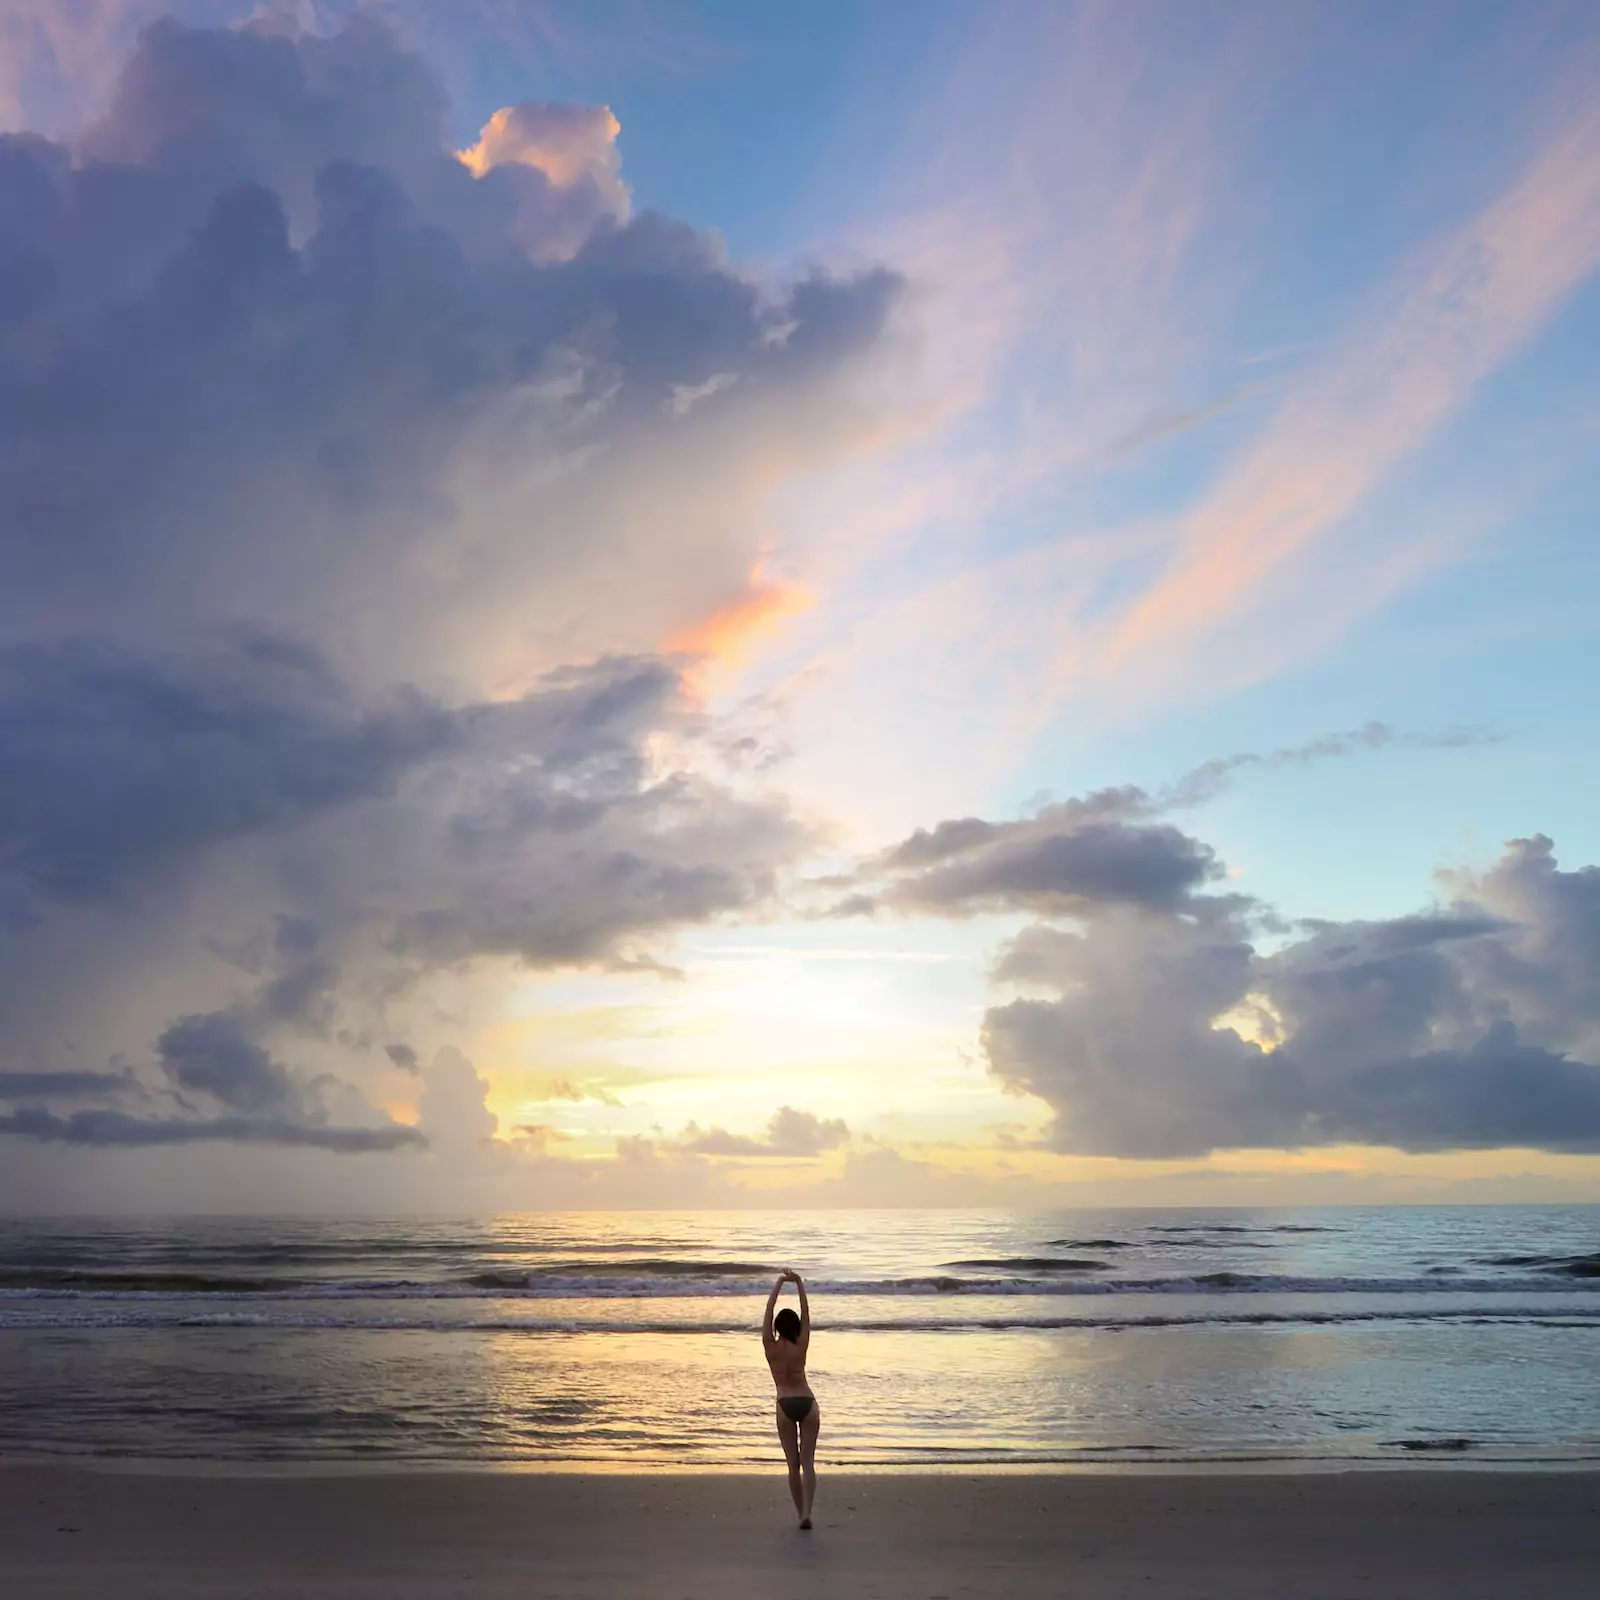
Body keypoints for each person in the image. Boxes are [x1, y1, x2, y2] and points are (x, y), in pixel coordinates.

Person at [762, 1268, 819, 1528]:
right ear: (795, 1327)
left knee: (792, 1465)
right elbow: (807, 1314)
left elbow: (769, 1309)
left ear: (776, 1327)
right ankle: (807, 1512)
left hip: (784, 1404)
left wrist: (779, 1282)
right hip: (807, 1402)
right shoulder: (801, 1345)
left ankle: (800, 1515)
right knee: (808, 1463)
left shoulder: (770, 1346)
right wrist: (799, 1284)